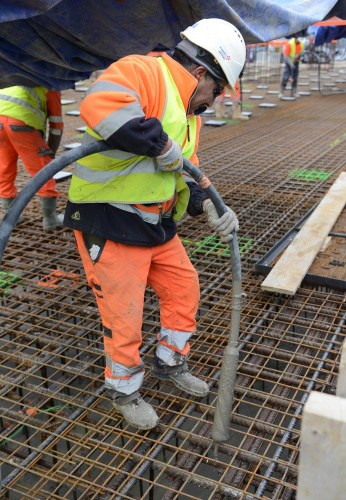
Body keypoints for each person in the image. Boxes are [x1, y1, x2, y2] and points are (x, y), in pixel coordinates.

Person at [64, 18, 246, 430]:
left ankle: (169, 361)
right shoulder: (144, 71)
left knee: (184, 288)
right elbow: (101, 105)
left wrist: (206, 203)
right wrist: (158, 143)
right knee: (124, 314)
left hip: (154, 223)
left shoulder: (188, 113)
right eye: (217, 90)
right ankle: (123, 389)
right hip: (109, 218)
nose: (215, 100)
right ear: (201, 71)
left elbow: (186, 167)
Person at [0, 86, 64, 229]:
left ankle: (11, 218)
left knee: (4, 168)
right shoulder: (52, 85)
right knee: (43, 171)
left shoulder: (15, 76)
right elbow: (56, 124)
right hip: (21, 124)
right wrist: (50, 152)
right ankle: (50, 219)